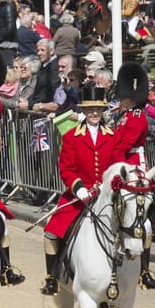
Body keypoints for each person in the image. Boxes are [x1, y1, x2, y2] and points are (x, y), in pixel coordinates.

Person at [40, 83, 120, 295]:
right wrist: (79, 187)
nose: (94, 113)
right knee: (51, 231)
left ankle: (134, 272)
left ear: (103, 111)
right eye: (90, 109)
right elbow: (66, 168)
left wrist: (108, 183)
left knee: (131, 225)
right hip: (79, 195)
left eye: (98, 109)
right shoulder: (71, 136)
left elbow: (118, 165)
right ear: (83, 111)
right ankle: (52, 276)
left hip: (107, 195)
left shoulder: (113, 135)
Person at [109, 63, 155, 290]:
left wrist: (113, 159)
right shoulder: (125, 114)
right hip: (121, 162)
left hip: (133, 166)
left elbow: (125, 144)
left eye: (123, 96)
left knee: (142, 219)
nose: (120, 100)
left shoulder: (137, 116)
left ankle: (145, 270)